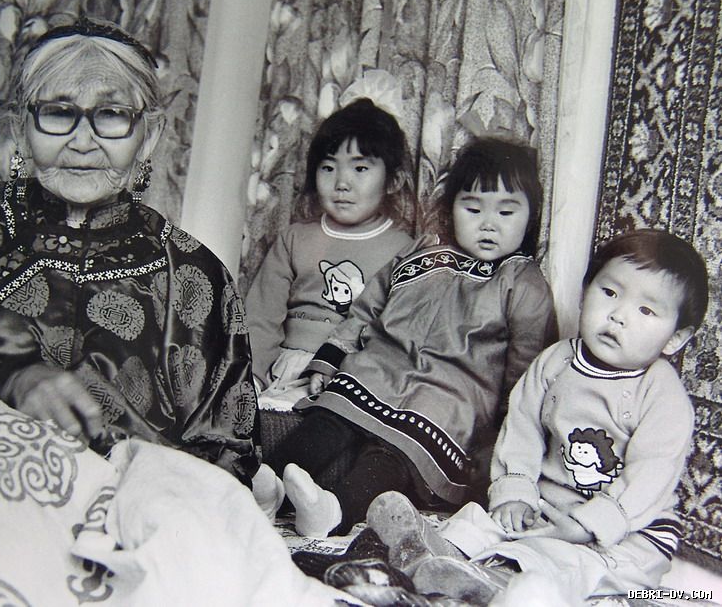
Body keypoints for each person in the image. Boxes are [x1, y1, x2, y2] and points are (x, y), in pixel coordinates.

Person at [0, 17, 258, 482]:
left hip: (122, 514)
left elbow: (229, 454)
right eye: (58, 112)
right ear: (21, 128)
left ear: (149, 135)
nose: (82, 141)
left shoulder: (195, 274)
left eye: (111, 114)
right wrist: (3, 377)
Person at [367, 229, 709, 603]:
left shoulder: (661, 393)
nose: (619, 315)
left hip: (625, 529)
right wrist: (515, 493)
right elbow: (523, 427)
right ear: (585, 293)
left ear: (675, 338)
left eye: (646, 310)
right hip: (546, 503)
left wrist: (589, 525)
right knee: (480, 521)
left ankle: (493, 582)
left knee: (569, 564)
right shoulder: (556, 361)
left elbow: (651, 473)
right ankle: (427, 550)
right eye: (609, 293)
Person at [253, 137, 558, 536]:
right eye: (472, 208)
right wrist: (329, 359)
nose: (488, 224)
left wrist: (498, 438)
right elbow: (366, 310)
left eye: (506, 211)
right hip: (380, 369)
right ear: (451, 209)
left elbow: (527, 372)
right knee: (331, 415)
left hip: (451, 398)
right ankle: (268, 483)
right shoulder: (421, 254)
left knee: (393, 455)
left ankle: (333, 511)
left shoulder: (522, 282)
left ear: (530, 217)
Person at [246, 98, 414, 411]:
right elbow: (261, 318)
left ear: (393, 181)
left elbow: (393, 335)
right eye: (328, 167)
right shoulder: (295, 238)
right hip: (282, 370)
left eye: (360, 168)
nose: (341, 183)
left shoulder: (403, 250)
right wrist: (252, 377)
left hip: (349, 377)